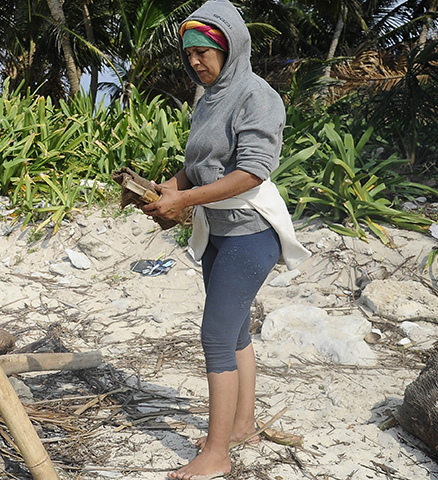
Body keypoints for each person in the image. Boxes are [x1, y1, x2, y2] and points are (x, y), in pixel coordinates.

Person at [140, 1, 311, 479]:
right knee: (234, 333)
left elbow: (253, 171)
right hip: (218, 231)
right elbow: (202, 165)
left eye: (205, 51)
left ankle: (217, 456)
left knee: (215, 336)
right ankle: (242, 427)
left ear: (231, 45)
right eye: (189, 53)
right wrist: (172, 189)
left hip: (251, 233)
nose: (195, 61)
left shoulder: (259, 97)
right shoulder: (209, 97)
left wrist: (187, 197)